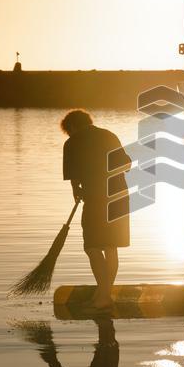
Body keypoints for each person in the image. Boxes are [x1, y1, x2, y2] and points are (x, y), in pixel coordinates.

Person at [61, 109, 131, 309]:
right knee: (111, 246)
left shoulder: (72, 143)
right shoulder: (109, 135)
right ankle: (103, 295)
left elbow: (74, 180)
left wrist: (78, 190)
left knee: (92, 246)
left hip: (96, 199)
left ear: (72, 127)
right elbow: (127, 165)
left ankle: (103, 296)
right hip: (119, 196)